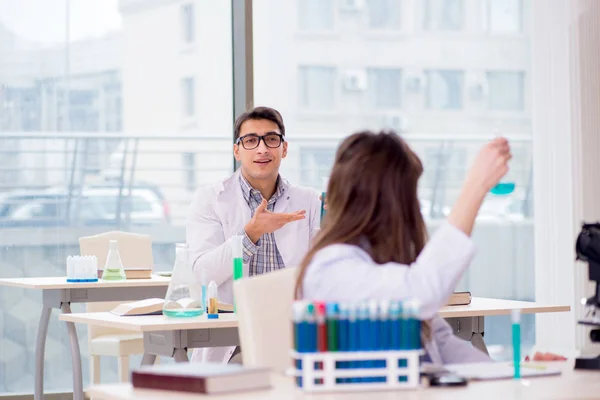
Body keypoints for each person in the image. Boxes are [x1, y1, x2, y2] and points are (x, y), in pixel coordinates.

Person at [295, 130, 511, 365]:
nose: (415, 207)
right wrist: (475, 187)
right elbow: (423, 291)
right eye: (409, 195)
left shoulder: (381, 261)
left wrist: (519, 372)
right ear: (388, 202)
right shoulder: (331, 270)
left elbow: (440, 342)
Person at [187, 106, 320, 363]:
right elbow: (203, 274)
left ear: (284, 148)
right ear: (237, 150)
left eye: (271, 139)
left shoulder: (309, 200)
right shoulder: (210, 199)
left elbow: (317, 272)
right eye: (251, 141)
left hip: (293, 336)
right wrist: (250, 233)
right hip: (233, 340)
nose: (262, 149)